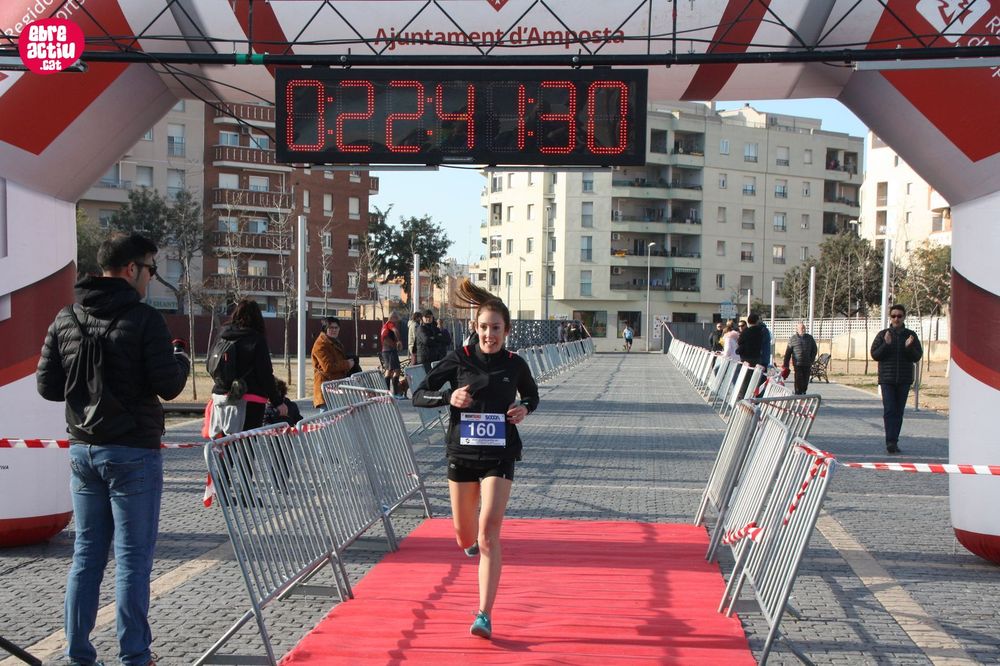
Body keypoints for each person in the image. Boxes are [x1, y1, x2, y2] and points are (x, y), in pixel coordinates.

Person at [36, 232, 190, 666]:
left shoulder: (67, 317)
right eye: (151, 269)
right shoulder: (144, 319)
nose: (152, 278)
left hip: (83, 451)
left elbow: (47, 386)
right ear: (130, 269)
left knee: (86, 556)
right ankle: (135, 656)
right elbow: (169, 385)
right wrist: (179, 359)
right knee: (132, 560)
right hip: (132, 453)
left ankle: (78, 656)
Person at [412, 279, 539, 640]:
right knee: (464, 535)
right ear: (475, 327)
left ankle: (484, 614)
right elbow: (418, 393)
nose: (489, 335)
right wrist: (448, 398)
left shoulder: (516, 364)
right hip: (463, 455)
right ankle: (469, 541)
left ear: (506, 331)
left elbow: (532, 396)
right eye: (484, 327)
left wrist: (523, 408)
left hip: (500, 454)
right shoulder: (460, 358)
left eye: (496, 328)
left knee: (488, 534)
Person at [209, 298, 287, 433]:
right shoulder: (256, 340)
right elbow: (265, 374)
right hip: (250, 400)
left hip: (220, 397)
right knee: (246, 443)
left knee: (224, 442)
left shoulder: (222, 336)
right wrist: (277, 402)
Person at [871, 304, 923, 454]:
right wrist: (886, 344)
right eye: (893, 316)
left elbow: (917, 356)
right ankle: (890, 441)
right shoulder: (883, 335)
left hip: (904, 380)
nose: (896, 319)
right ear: (890, 317)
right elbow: (875, 355)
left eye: (899, 316)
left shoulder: (911, 335)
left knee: (898, 411)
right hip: (887, 379)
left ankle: (894, 441)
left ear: (904, 317)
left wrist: (909, 347)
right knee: (889, 410)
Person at [311, 316, 354, 411]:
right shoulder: (321, 344)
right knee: (326, 417)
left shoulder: (334, 341)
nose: (334, 330)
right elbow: (328, 366)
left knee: (336, 417)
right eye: (331, 328)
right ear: (325, 329)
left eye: (336, 327)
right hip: (326, 387)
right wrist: (347, 364)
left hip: (335, 386)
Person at [782, 322, 819, 395]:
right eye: (801, 328)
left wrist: (811, 359)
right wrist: (786, 364)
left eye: (804, 328)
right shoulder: (792, 339)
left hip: (807, 363)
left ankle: (803, 392)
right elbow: (788, 353)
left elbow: (814, 349)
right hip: (797, 363)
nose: (803, 329)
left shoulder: (809, 338)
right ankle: (798, 393)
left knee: (806, 379)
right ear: (797, 329)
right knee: (798, 379)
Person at [415, 309, 447, 373]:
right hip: (425, 359)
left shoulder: (434, 328)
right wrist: (436, 339)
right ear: (422, 318)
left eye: (430, 317)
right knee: (428, 376)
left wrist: (433, 338)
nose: (428, 318)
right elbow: (426, 340)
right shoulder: (421, 329)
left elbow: (443, 339)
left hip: (435, 357)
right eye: (426, 317)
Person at [380, 311, 404, 396]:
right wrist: (399, 341)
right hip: (390, 350)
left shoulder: (385, 325)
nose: (397, 321)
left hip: (385, 350)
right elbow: (395, 331)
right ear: (392, 317)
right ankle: (395, 393)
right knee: (397, 370)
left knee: (389, 370)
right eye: (396, 318)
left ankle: (387, 392)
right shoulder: (390, 324)